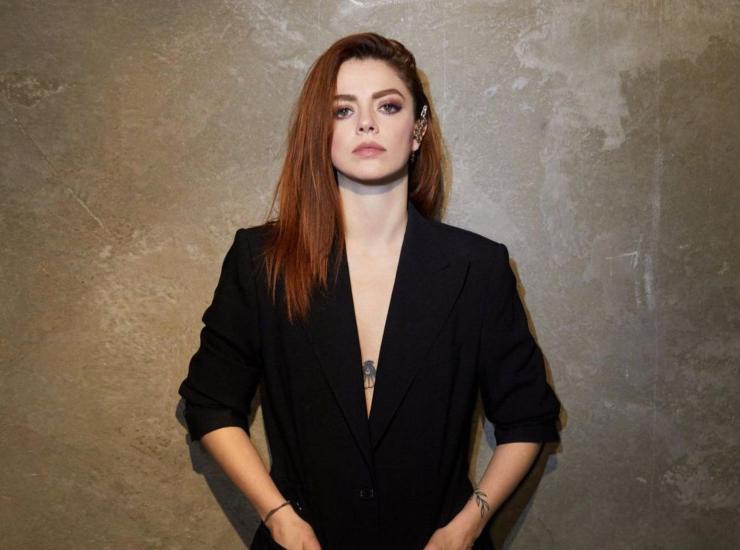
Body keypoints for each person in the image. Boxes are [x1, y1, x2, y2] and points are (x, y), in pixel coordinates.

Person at [178, 32, 561, 550]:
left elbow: (528, 416)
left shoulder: (477, 268)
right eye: (342, 110)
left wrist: (467, 527)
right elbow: (209, 402)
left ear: (418, 129)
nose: (366, 123)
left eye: (388, 105)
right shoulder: (261, 261)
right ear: (319, 132)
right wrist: (279, 518)